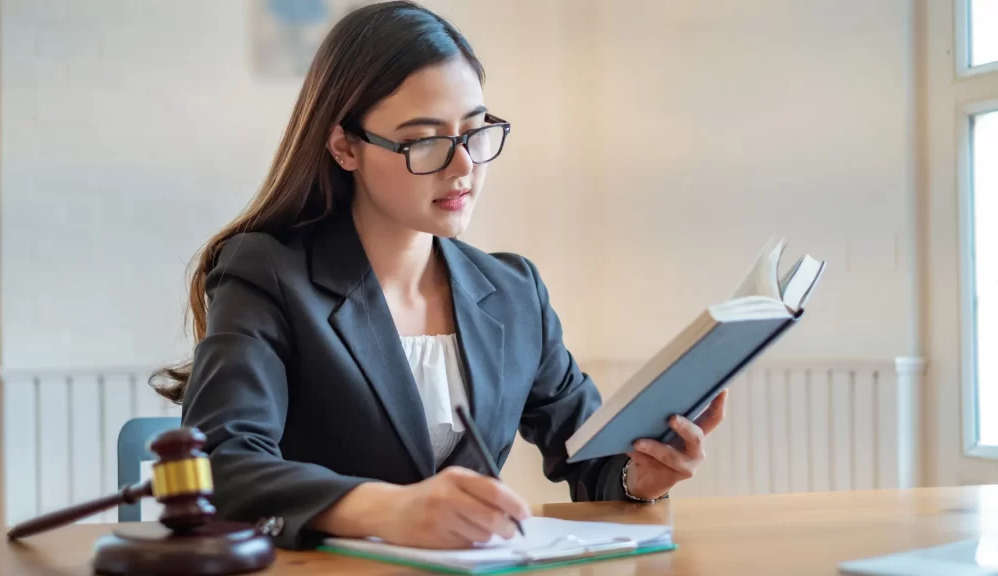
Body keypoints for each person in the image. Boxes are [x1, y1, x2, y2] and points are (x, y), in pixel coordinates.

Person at [151, 0, 728, 551]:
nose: (464, 167)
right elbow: (221, 464)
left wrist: (641, 474)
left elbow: (590, 458)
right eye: (425, 140)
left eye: (476, 131)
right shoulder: (268, 272)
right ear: (344, 146)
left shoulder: (512, 291)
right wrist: (388, 510)